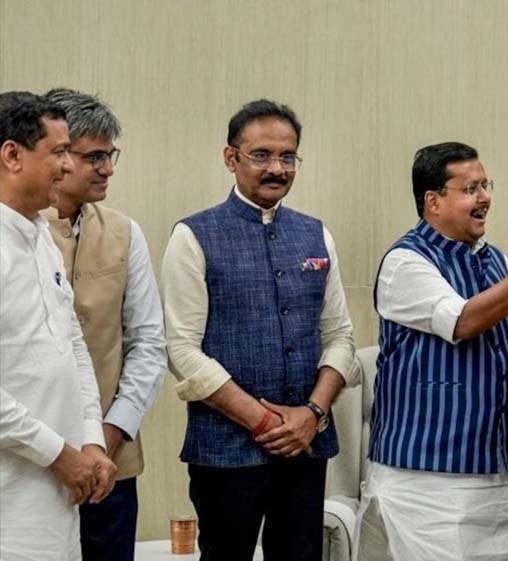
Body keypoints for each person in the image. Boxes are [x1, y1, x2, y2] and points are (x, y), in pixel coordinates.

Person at [358, 141, 508, 561]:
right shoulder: (405, 263)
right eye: (470, 189)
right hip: (427, 483)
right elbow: (463, 322)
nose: (484, 198)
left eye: (485, 186)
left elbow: (507, 337)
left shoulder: (497, 260)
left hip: (502, 476)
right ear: (433, 201)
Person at [162, 99, 356, 561]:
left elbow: (340, 338)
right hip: (225, 451)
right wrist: (264, 421)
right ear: (231, 158)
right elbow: (181, 350)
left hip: (306, 445)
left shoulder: (316, 234)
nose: (277, 169)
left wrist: (311, 414)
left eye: (288, 157)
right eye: (262, 155)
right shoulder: (193, 235)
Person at [41, 88, 167, 561]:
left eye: (110, 155)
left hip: (111, 463)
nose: (108, 168)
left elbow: (148, 342)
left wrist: (108, 436)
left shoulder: (124, 231)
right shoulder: (19, 230)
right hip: (30, 460)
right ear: (56, 155)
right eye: (94, 156)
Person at [0, 91, 116, 560]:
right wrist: (59, 453)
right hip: (10, 513)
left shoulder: (41, 237)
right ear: (12, 155)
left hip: (60, 505)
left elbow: (73, 347)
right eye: (59, 152)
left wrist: (90, 440)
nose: (69, 166)